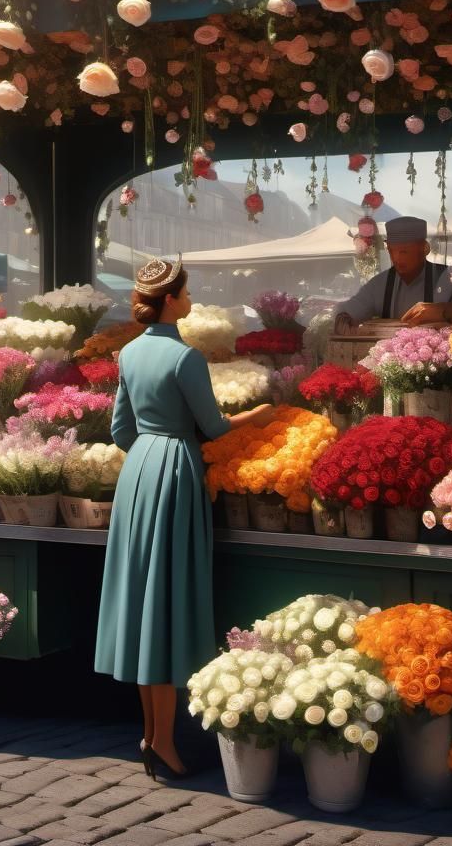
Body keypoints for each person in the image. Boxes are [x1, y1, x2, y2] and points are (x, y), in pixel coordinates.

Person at [94, 256, 272, 781]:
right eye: (187, 293)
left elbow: (120, 430)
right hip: (174, 469)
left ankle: (153, 736)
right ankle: (164, 742)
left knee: (145, 601)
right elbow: (214, 427)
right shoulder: (185, 357)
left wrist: (151, 446)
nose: (192, 299)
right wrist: (257, 415)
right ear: (170, 300)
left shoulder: (130, 352)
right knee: (166, 601)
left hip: (139, 470)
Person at [334, 216, 452, 332]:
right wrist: (344, 318)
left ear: (425, 248)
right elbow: (347, 311)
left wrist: (444, 310)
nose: (396, 258)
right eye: (392, 251)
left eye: (404, 251)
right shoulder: (380, 284)